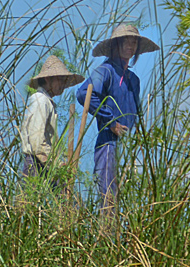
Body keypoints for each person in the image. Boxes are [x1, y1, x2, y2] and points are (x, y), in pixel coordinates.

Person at [76, 23, 160, 215]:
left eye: (134, 43)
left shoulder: (133, 80)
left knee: (127, 195)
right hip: (108, 142)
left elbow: (135, 113)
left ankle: (121, 239)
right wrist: (111, 122)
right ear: (116, 45)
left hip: (129, 146)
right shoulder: (104, 71)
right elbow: (84, 94)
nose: (130, 46)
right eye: (126, 42)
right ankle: (106, 236)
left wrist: (141, 135)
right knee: (108, 194)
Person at [19, 55, 84, 190]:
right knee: (32, 204)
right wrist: (57, 164)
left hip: (43, 163)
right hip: (36, 163)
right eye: (60, 80)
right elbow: (37, 143)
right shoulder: (40, 100)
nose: (63, 86)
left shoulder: (46, 101)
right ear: (48, 79)